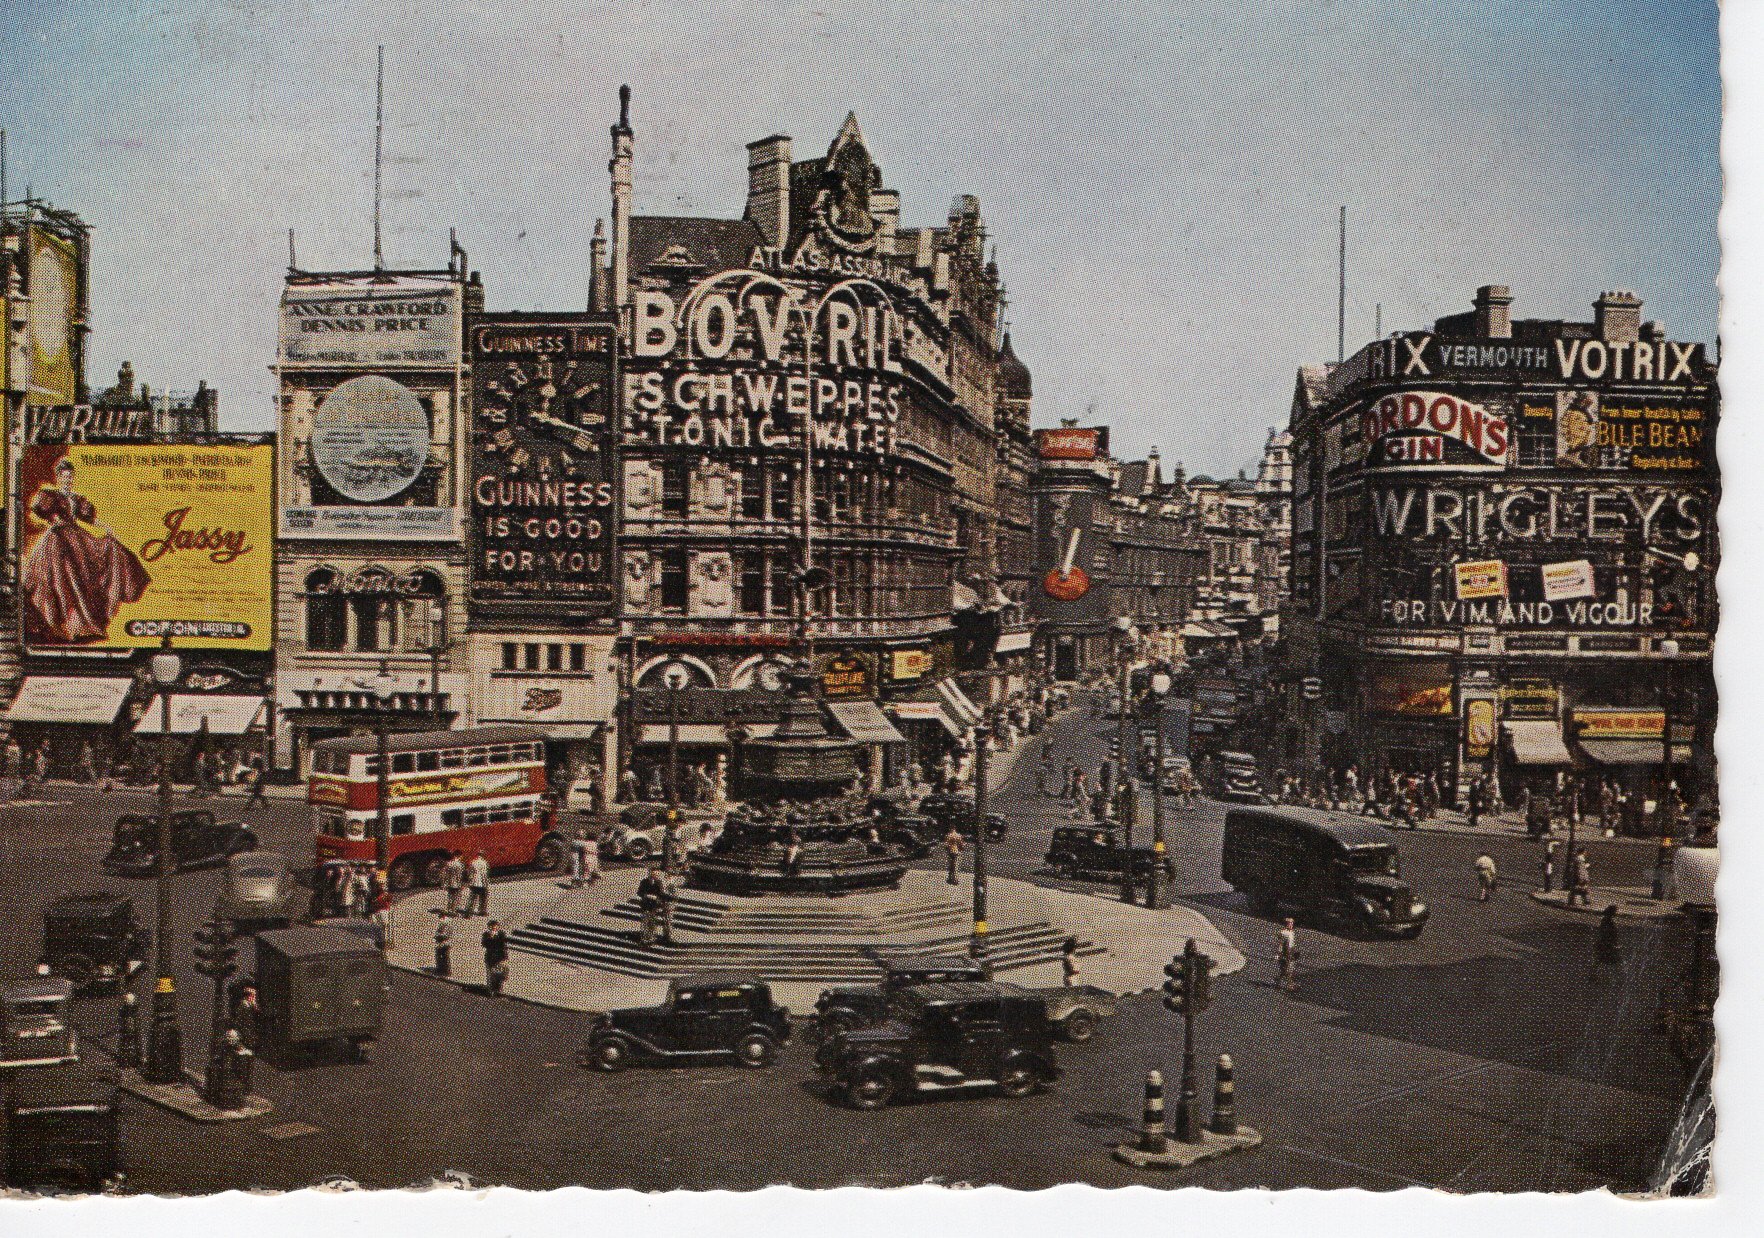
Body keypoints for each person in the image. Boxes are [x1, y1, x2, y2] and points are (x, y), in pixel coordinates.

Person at [20, 457, 152, 645]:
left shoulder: (76, 499)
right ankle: (61, 625)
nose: (68, 480)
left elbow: (87, 518)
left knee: (106, 552)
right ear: (58, 478)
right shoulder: (51, 496)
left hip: (76, 538)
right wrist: (53, 519)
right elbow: (40, 511)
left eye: (70, 477)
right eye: (64, 477)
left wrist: (105, 526)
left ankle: (77, 625)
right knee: (61, 579)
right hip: (57, 540)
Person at [637, 867, 668, 947]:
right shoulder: (644, 882)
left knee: (653, 923)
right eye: (652, 874)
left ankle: (651, 939)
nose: (654, 875)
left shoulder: (659, 883)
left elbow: (662, 895)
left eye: (656, 874)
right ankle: (644, 939)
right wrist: (646, 895)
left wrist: (656, 898)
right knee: (645, 923)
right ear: (649, 873)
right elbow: (639, 892)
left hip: (654, 906)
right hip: (646, 905)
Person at [1591, 905, 1622, 982]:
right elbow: (1608, 933)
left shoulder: (1606, 920)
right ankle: (1610, 977)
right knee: (1608, 960)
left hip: (1605, 943)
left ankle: (1594, 975)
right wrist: (1613, 943)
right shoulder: (1608, 921)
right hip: (1606, 943)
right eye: (1614, 912)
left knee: (1600, 960)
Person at [481, 920, 510, 996]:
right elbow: (484, 944)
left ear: (497, 926)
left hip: (499, 957)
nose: (493, 927)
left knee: (500, 974)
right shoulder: (486, 934)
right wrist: (491, 938)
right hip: (490, 957)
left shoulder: (501, 934)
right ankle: (490, 990)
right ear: (489, 927)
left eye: (495, 926)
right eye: (491, 926)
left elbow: (504, 946)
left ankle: (498, 989)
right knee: (490, 974)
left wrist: (505, 957)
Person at [466, 851, 491, 917]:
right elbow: (484, 874)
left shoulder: (472, 862)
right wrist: (486, 883)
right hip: (481, 883)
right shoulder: (484, 863)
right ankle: (482, 912)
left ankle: (468, 913)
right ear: (483, 855)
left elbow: (469, 873)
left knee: (472, 898)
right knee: (483, 898)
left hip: (473, 883)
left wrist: (470, 881)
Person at [1276, 918, 1299, 992]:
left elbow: (1291, 944)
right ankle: (1290, 985)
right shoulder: (1283, 933)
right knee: (1289, 970)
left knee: (1285, 970)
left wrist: (1294, 951)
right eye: (1290, 923)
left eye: (1292, 923)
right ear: (1286, 924)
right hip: (1285, 953)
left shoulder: (1292, 932)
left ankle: (1278, 982)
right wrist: (1279, 954)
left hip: (1290, 952)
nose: (1291, 925)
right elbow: (1281, 944)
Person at [440, 851, 465, 917]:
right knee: (456, 898)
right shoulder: (460, 865)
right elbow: (459, 876)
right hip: (456, 884)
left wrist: (444, 883)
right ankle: (453, 911)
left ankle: (448, 910)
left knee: (450, 897)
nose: (462, 858)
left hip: (449, 883)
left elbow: (444, 874)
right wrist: (461, 884)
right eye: (461, 856)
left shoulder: (449, 864)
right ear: (458, 856)